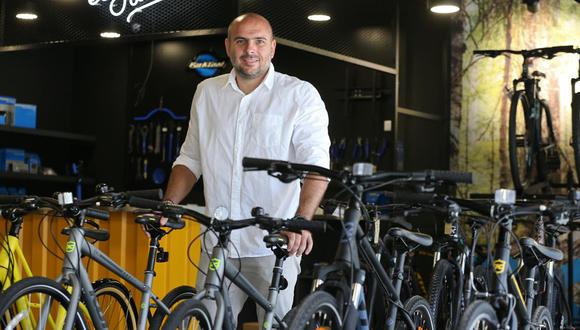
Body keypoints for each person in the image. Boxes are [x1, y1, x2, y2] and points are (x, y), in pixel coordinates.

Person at [163, 12, 330, 325]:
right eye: (241, 41)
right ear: (228, 47)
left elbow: (316, 164)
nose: (249, 49)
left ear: (272, 48)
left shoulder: (299, 95)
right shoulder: (207, 93)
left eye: (258, 41)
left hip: (275, 243)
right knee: (206, 323)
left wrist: (302, 219)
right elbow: (190, 158)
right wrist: (168, 205)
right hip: (219, 244)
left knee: (277, 324)